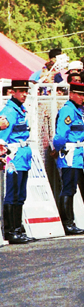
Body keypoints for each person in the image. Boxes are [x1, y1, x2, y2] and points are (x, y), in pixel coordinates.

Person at [51, 82, 84, 237]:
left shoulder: (77, 110)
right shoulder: (68, 111)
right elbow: (61, 135)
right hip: (70, 152)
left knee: (72, 188)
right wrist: (59, 148)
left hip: (76, 153)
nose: (82, 98)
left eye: (83, 95)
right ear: (72, 94)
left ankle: (70, 221)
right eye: (79, 94)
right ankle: (68, 223)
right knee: (68, 187)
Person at [0, 80, 36, 244]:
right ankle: (10, 230)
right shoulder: (10, 112)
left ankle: (18, 228)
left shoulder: (20, 110)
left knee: (20, 194)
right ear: (13, 91)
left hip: (22, 156)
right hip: (13, 156)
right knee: (13, 194)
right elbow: (3, 137)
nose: (24, 94)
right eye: (21, 91)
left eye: (26, 91)